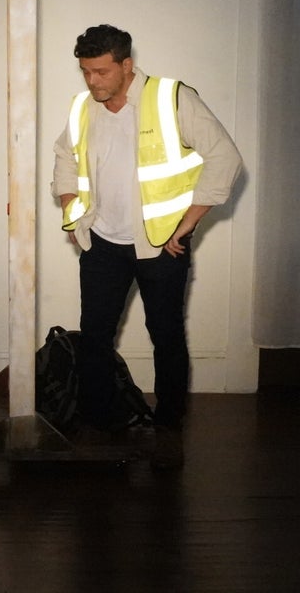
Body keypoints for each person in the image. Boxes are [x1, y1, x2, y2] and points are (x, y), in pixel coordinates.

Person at [51, 25, 243, 469]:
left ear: (126, 65)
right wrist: (71, 210)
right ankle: (100, 422)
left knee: (166, 333)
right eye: (85, 72)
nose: (92, 81)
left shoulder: (172, 98)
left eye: (101, 71)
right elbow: (65, 155)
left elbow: (225, 157)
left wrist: (188, 224)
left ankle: (169, 425)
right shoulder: (83, 107)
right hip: (102, 243)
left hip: (161, 246)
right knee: (95, 335)